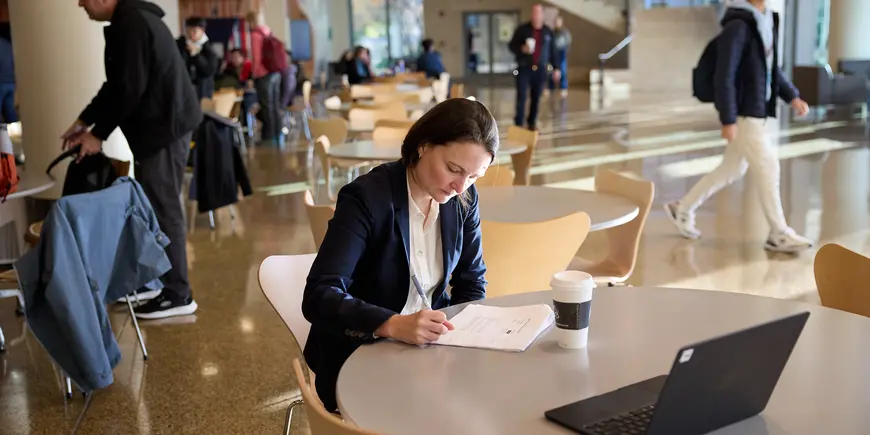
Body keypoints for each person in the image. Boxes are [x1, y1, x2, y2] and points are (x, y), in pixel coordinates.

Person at [302, 98, 498, 412]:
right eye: (453, 169)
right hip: (359, 352)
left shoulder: (463, 199)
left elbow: (472, 284)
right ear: (423, 146)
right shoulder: (367, 198)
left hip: (429, 353)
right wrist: (391, 324)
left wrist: (462, 338)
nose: (461, 187)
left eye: (474, 177)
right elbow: (319, 295)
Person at [64, 0, 202, 319]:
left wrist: (98, 135)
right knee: (152, 205)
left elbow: (129, 87)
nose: (80, 3)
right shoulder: (131, 19)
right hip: (161, 127)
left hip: (164, 129)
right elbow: (116, 86)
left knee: (165, 207)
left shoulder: (132, 23)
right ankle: (159, 280)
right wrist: (85, 120)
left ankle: (179, 292)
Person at [664, 0, 812, 253]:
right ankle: (779, 233)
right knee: (768, 166)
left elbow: (770, 68)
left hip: (756, 110)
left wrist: (792, 96)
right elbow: (725, 75)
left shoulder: (765, 20)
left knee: (731, 169)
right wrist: (728, 118)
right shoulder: (738, 25)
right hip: (744, 112)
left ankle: (683, 206)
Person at [508, 4, 559, 131]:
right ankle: (519, 122)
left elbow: (553, 51)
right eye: (533, 13)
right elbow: (511, 45)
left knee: (536, 96)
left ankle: (532, 122)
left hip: (541, 69)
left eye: (538, 13)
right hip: (524, 68)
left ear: (542, 15)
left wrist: (556, 68)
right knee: (522, 96)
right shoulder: (522, 30)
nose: (535, 16)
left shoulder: (548, 32)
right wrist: (522, 48)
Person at [246, 10, 283, 142]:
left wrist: (254, 74)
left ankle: (268, 136)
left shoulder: (255, 34)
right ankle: (278, 133)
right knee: (275, 105)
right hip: (275, 72)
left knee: (266, 106)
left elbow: (256, 57)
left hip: (263, 74)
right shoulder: (268, 31)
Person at [177, 17, 218, 100]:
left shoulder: (209, 48)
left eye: (194, 31)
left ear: (202, 31)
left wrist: (196, 55)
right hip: (184, 90)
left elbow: (209, 70)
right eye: (188, 30)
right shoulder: (180, 44)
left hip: (203, 92)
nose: (191, 34)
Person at [548, 16, 571, 98]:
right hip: (554, 52)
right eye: (556, 22)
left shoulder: (565, 32)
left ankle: (563, 88)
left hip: (562, 52)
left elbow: (568, 43)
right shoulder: (552, 32)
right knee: (551, 71)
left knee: (563, 71)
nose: (557, 23)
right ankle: (551, 88)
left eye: (558, 22)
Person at [0, 36, 17, 125]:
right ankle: (14, 132)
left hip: (1, 82)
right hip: (11, 81)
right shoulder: (8, 44)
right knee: (10, 110)